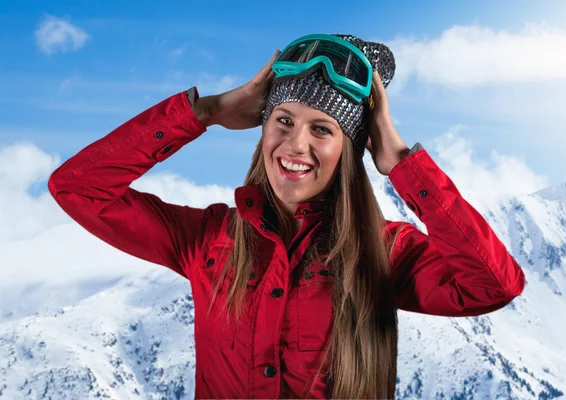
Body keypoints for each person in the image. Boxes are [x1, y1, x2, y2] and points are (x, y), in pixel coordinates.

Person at [48, 34, 526, 399]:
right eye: (283, 120)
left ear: (351, 150)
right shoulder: (209, 240)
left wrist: (402, 162)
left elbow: (494, 285)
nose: (295, 145)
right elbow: (78, 188)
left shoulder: (385, 252)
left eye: (322, 129)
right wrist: (205, 111)